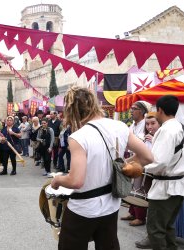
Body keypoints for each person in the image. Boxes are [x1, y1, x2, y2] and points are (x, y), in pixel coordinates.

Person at [50, 87, 153, 250]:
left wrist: (57, 180)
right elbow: (148, 157)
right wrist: (123, 163)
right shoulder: (120, 126)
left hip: (84, 208)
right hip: (111, 204)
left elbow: (76, 181)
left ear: (73, 110)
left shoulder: (78, 137)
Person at [140, 95, 184, 250]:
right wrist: (183, 173)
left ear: (160, 110)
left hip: (164, 189)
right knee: (168, 227)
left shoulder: (165, 131)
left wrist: (143, 168)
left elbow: (159, 161)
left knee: (155, 230)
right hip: (179, 186)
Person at [122, 112, 160, 227]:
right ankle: (132, 213)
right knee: (134, 189)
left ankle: (140, 217)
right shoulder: (145, 135)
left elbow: (157, 155)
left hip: (150, 169)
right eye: (147, 124)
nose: (149, 127)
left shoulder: (160, 137)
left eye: (153, 123)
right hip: (140, 165)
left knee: (141, 191)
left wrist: (153, 141)